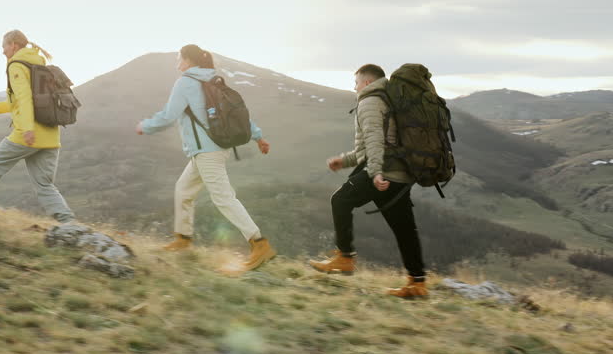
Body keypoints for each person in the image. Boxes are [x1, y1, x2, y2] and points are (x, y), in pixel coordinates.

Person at [136, 44, 276, 274]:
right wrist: (258, 137)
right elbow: (235, 113)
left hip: (206, 152)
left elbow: (169, 115)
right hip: (213, 149)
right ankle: (183, 239)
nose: (177, 64)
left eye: (179, 59)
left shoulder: (185, 82)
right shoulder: (213, 79)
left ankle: (259, 244)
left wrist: (146, 126)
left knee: (223, 198)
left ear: (188, 60)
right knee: (183, 189)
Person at [310, 64, 428, 298]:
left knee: (340, 201)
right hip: (401, 173)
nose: (354, 88)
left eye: (356, 83)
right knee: (404, 229)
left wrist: (375, 173)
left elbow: (375, 141)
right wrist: (344, 161)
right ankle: (418, 283)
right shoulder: (387, 99)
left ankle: (345, 257)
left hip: (383, 172)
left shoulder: (370, 102)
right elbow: (371, 146)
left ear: (367, 82)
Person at [0, 30, 75, 223]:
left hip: (28, 134)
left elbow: (25, 99)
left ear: (13, 45)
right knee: (44, 184)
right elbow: (17, 102)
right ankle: (68, 223)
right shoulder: (38, 64)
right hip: (51, 135)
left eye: (4, 46)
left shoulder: (17, 65)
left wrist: (27, 129)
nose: (2, 51)